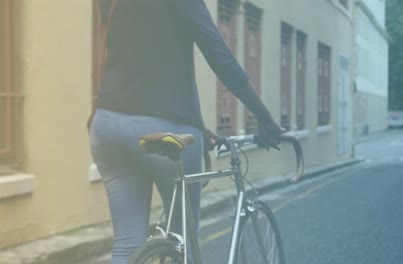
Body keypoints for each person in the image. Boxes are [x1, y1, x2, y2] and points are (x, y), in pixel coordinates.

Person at [88, 0, 283, 263]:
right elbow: (220, 57)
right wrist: (264, 117)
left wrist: (198, 125)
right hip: (164, 126)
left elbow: (139, 58)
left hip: (108, 126)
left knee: (127, 244)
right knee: (184, 241)